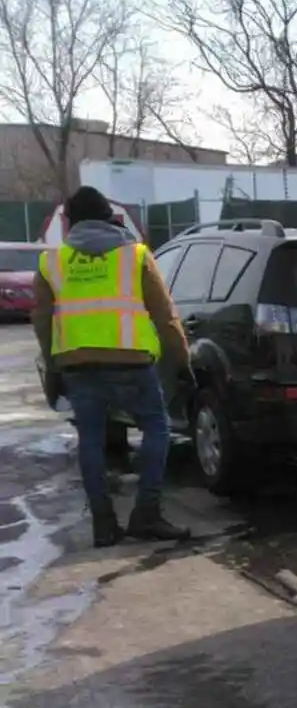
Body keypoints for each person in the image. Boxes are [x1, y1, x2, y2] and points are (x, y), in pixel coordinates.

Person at [32, 187, 192, 547]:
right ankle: (146, 514)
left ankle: (104, 525)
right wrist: (182, 359)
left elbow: (41, 320)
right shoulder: (136, 256)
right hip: (132, 363)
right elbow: (165, 315)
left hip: (78, 365)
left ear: (69, 222)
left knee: (91, 439)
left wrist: (54, 363)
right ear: (110, 218)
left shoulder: (51, 262)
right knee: (156, 428)